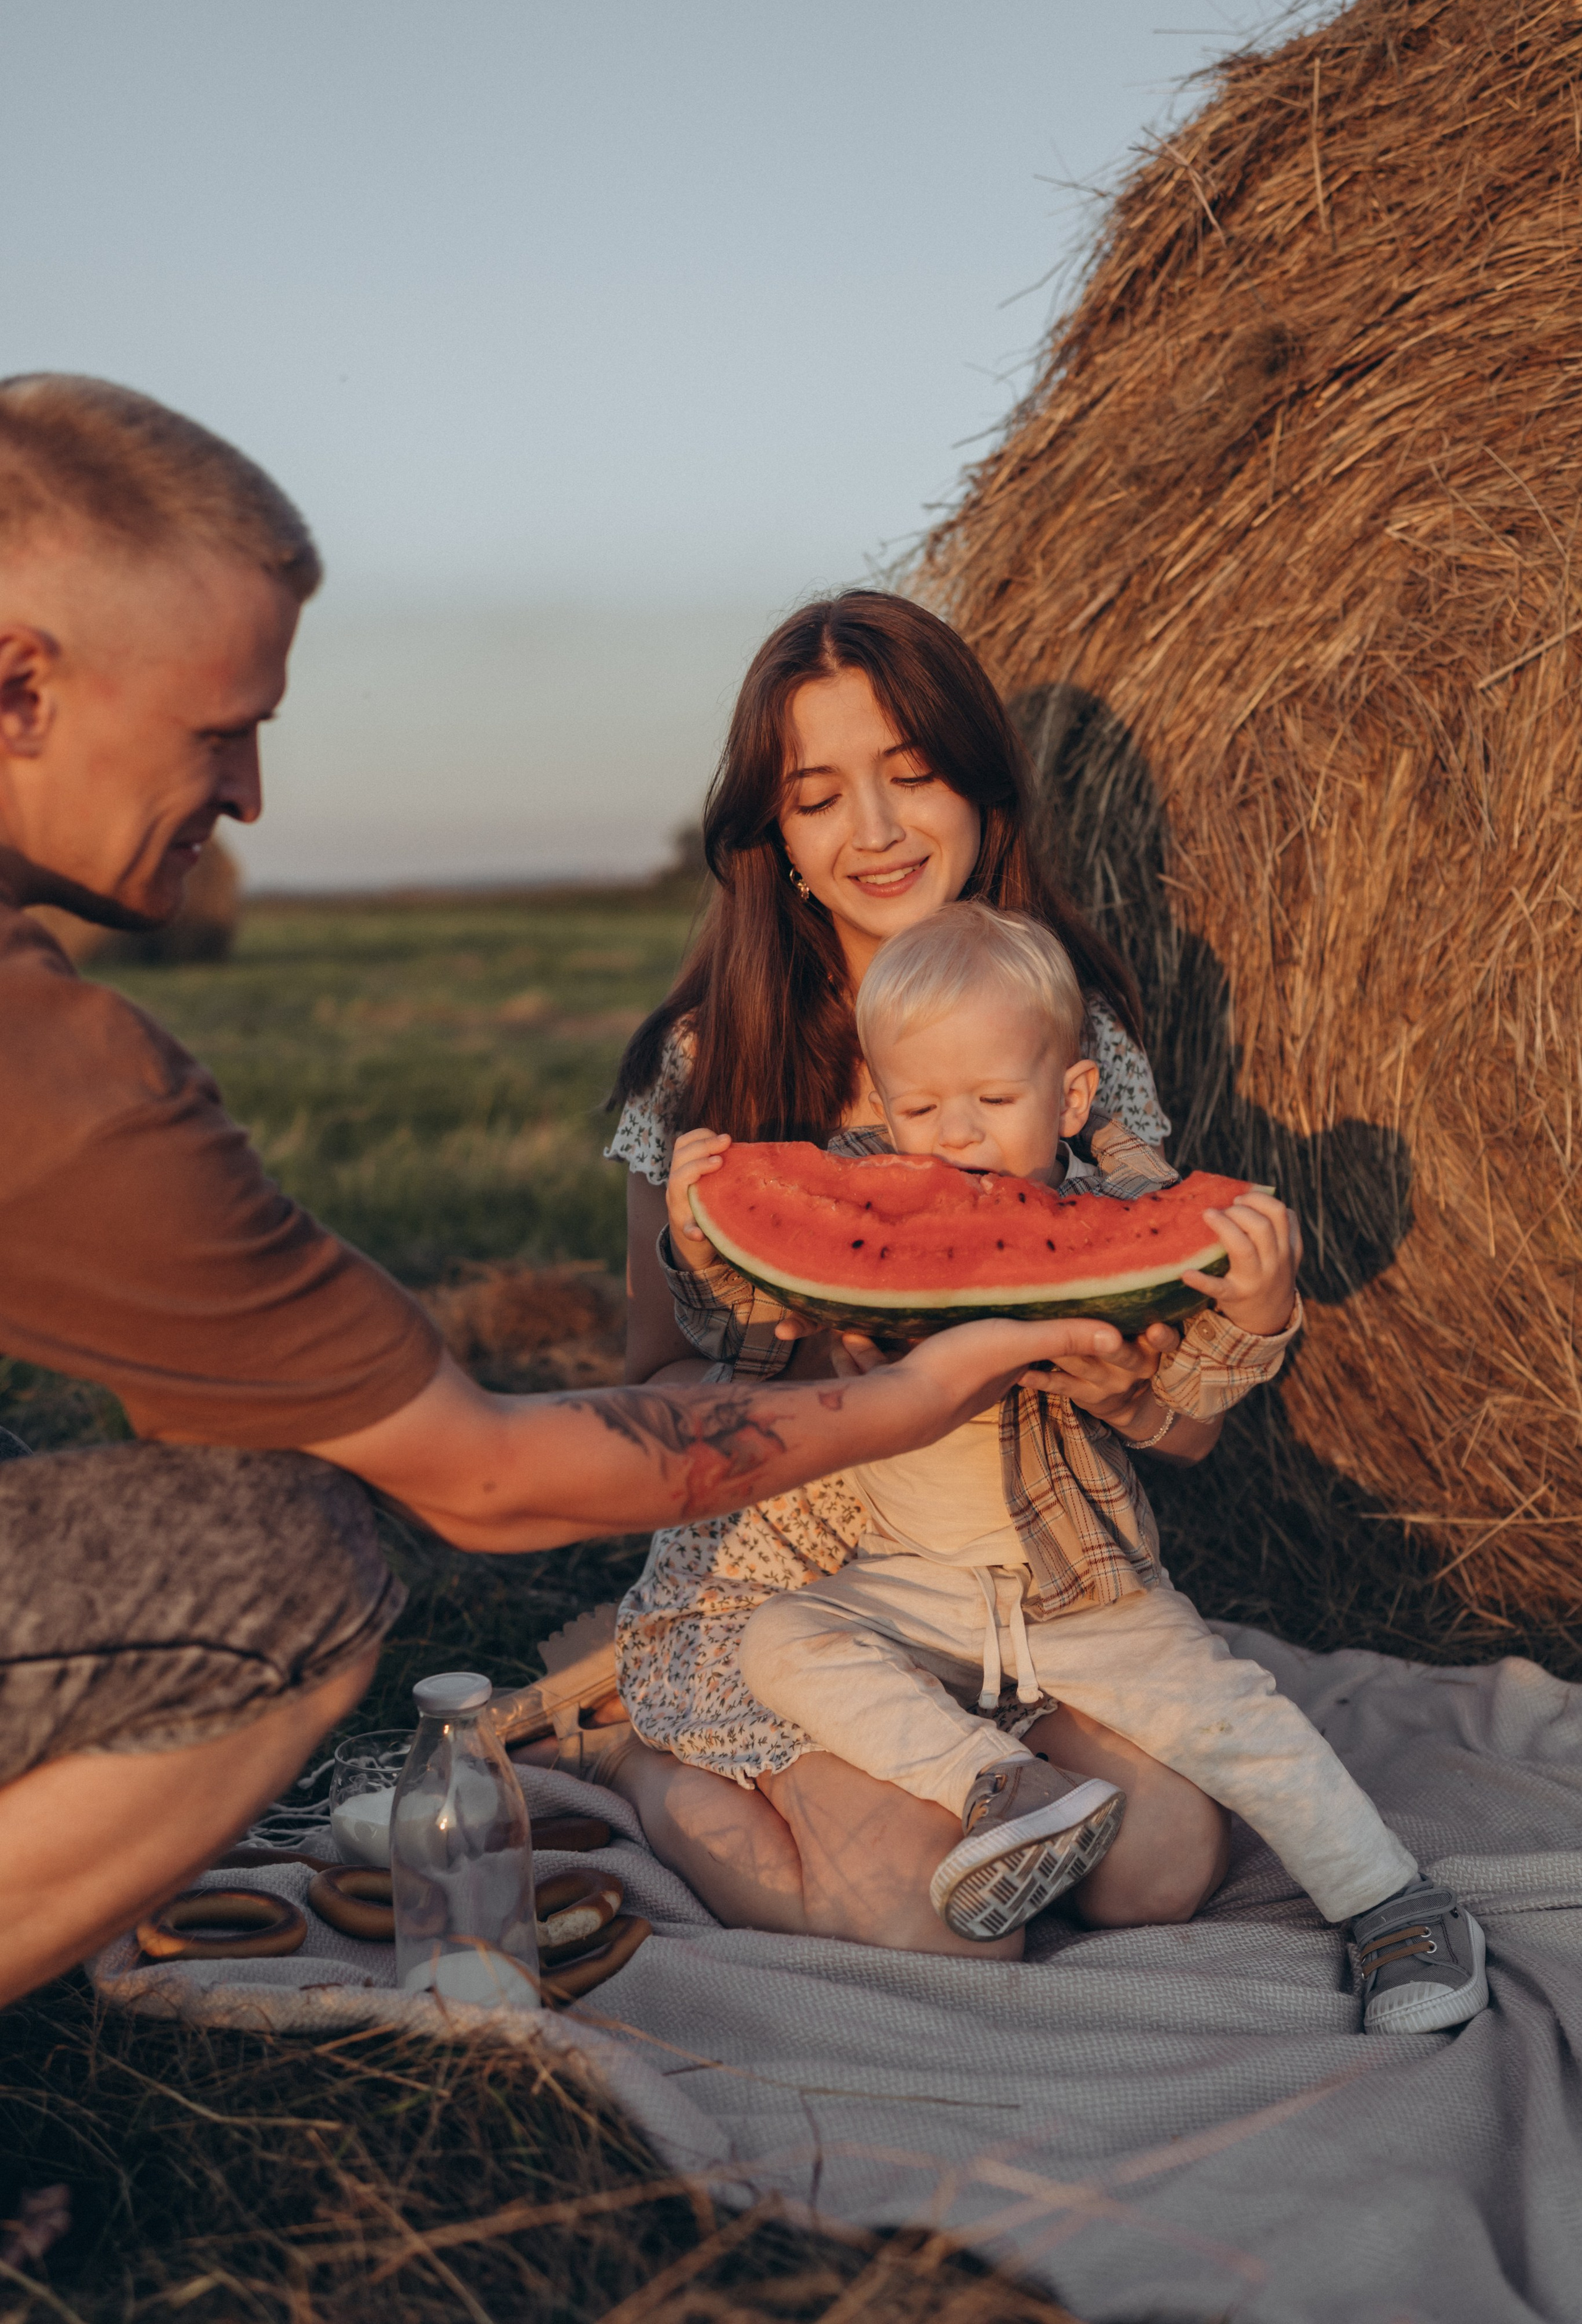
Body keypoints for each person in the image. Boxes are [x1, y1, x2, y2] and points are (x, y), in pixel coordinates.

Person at [0, 375, 1116, 2009]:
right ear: (21, 686)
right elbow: (486, 1481)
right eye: (217, 729)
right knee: (291, 1563)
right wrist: (928, 1384)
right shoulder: (66, 1079)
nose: (248, 796)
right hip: (784, 1593)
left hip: (994, 1590)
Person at [669, 904, 1488, 2033]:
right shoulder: (858, 1194)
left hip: (1086, 1593)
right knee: (784, 1638)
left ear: (1071, 1099)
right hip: (912, 1580)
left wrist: (1258, 1306)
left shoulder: (1119, 1216)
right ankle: (1000, 1786)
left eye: (994, 1104)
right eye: (919, 1108)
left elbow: (1195, 1386)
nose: (953, 1139)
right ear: (878, 1095)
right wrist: (706, 1250)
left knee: (1237, 1718)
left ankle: (1393, 1902)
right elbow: (753, 1332)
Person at [578, 590, 1237, 1962]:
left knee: (1163, 1868)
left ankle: (988, 1758)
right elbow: (647, 1378)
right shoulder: (701, 1065)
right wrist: (814, 1358)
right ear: (777, 842)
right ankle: (630, 1754)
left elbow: (1177, 1394)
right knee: (939, 1933)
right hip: (789, 1581)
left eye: (912, 774)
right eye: (818, 796)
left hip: (1019, 1561)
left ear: (983, 794)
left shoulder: (1074, 1033)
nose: (874, 832)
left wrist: (1139, 1371)